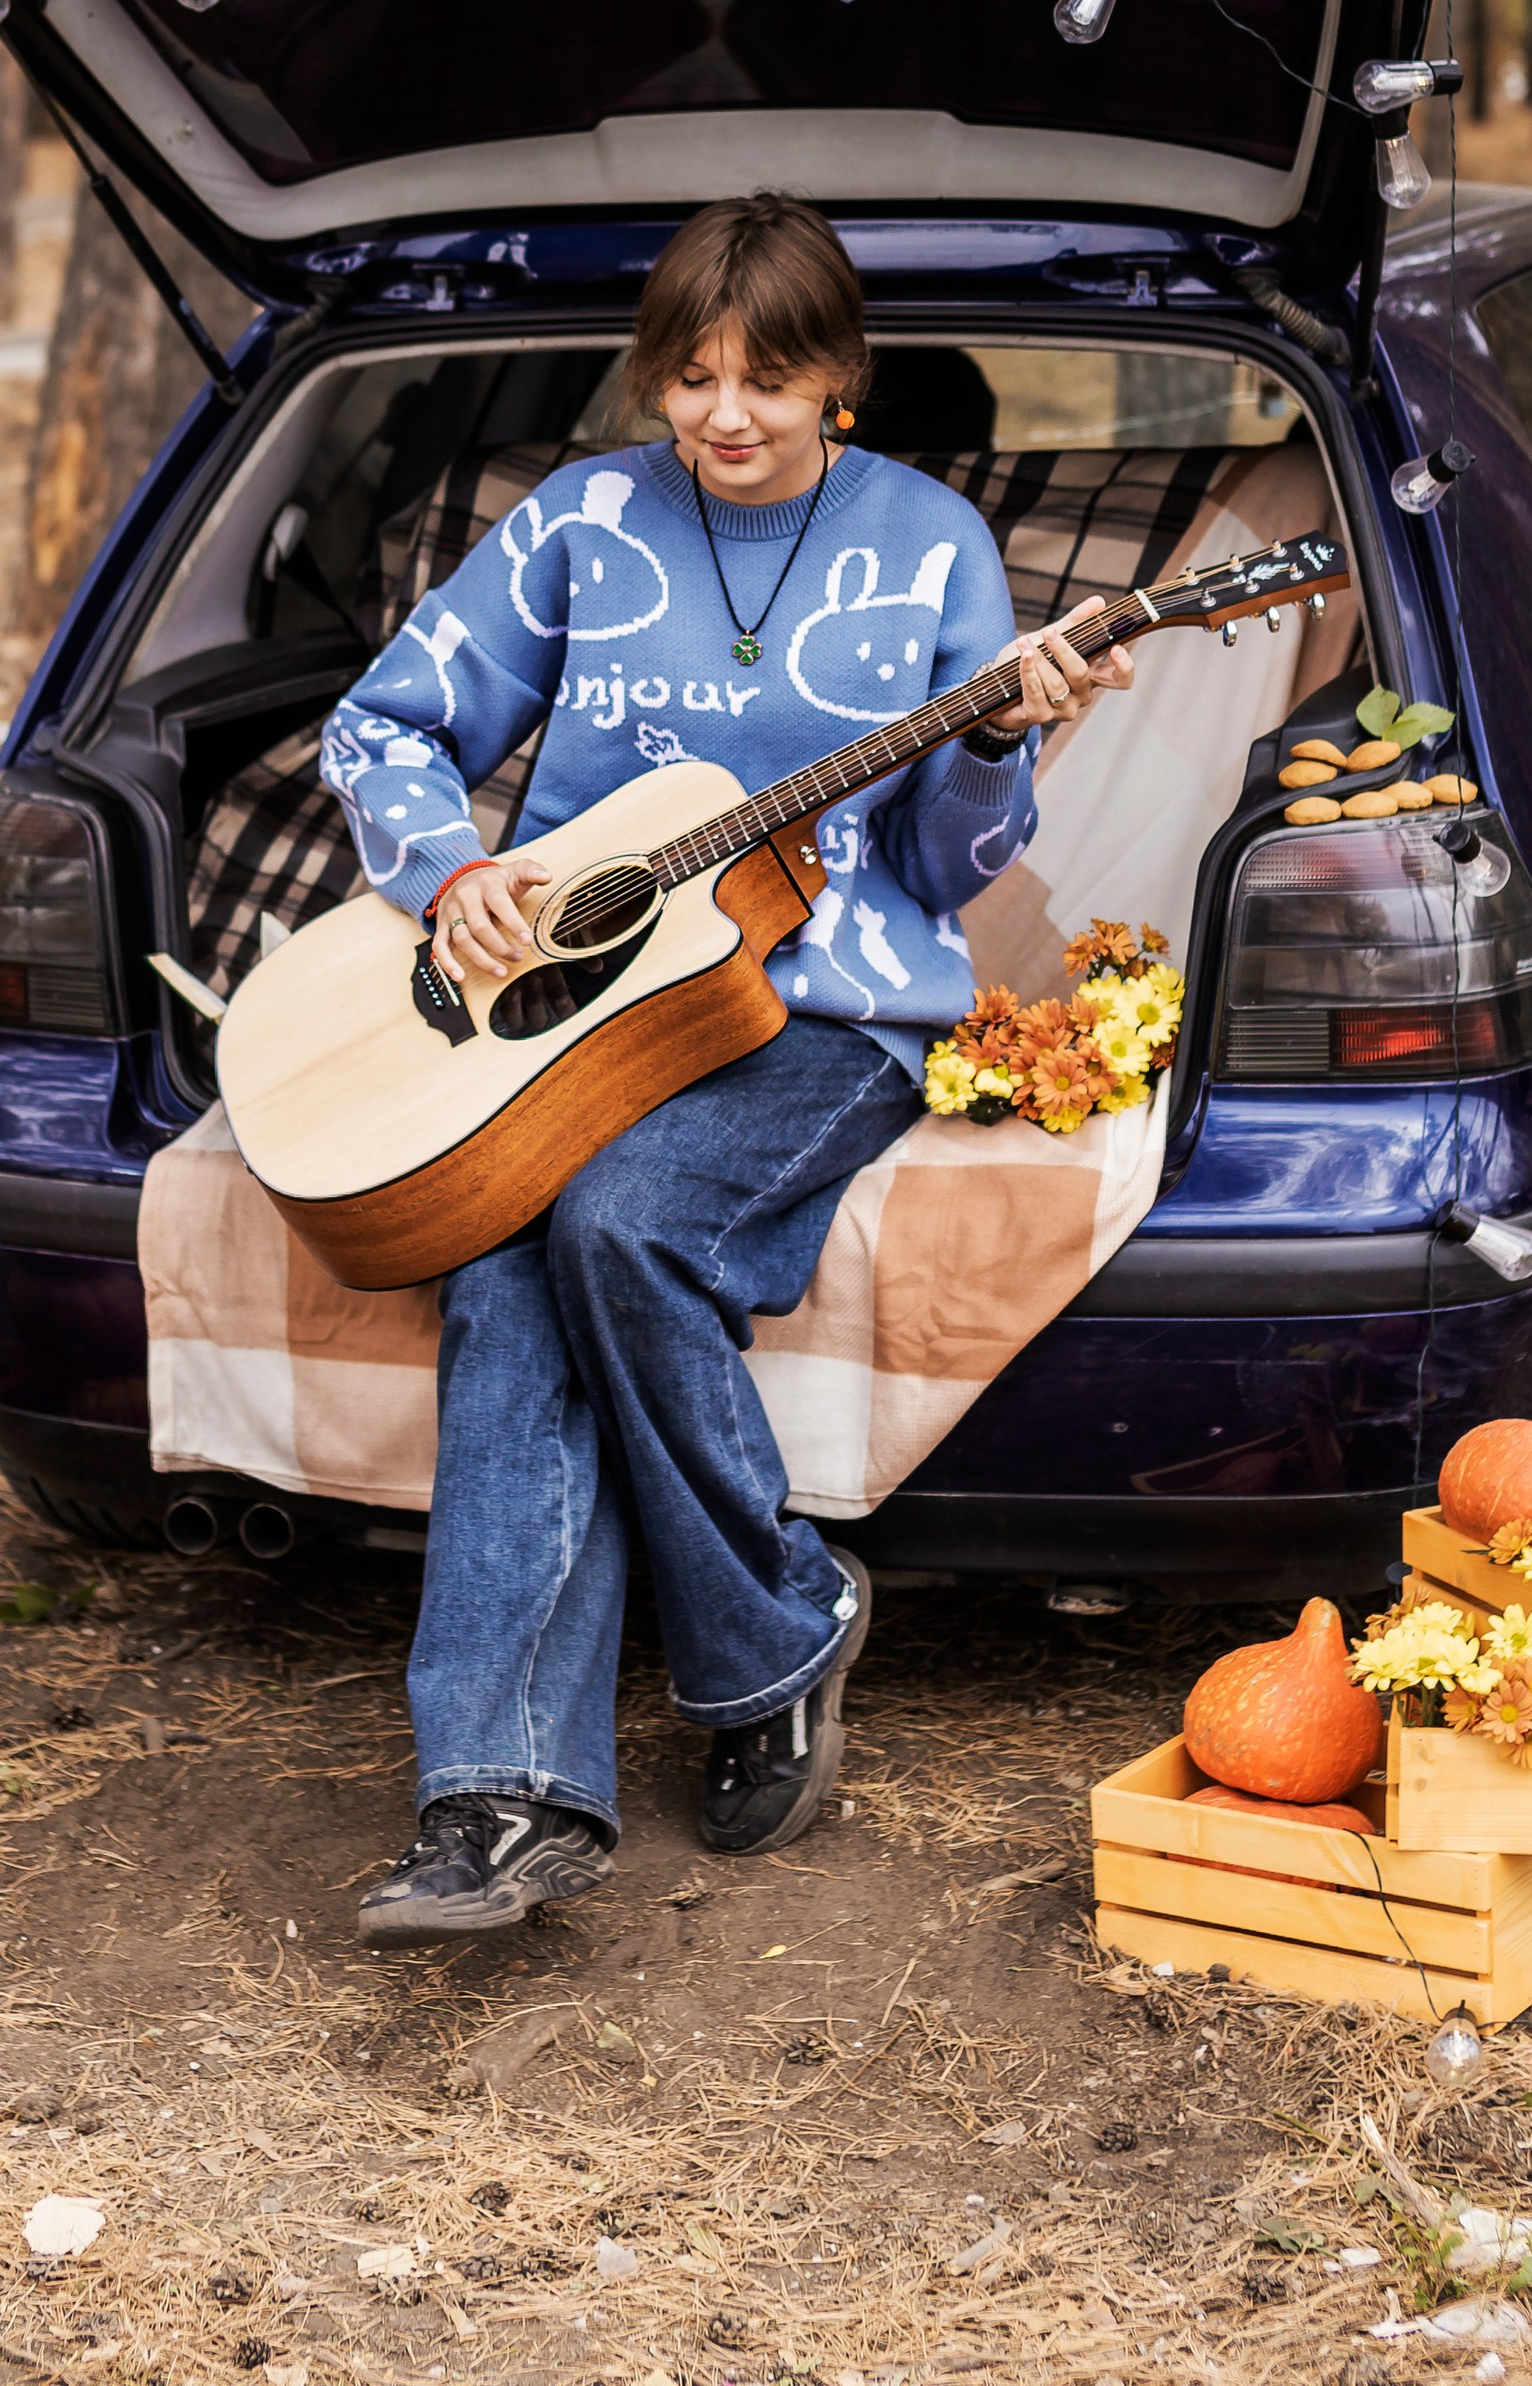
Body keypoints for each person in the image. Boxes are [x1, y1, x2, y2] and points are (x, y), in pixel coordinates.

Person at [320, 191, 1132, 1940]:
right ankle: (501, 1799)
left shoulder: (930, 548)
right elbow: (382, 721)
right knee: (508, 1259)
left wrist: (995, 737)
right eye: (689, 379)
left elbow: (949, 867)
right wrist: (451, 874)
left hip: (830, 1015)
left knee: (622, 1227)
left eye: (769, 378)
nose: (727, 417)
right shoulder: (581, 522)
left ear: (842, 374)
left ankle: (766, 1630)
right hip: (578, 1017)